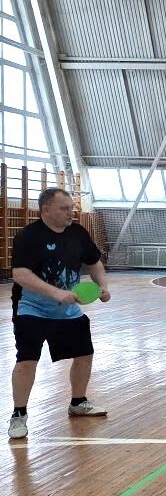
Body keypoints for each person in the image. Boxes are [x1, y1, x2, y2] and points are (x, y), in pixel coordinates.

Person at [8, 188, 110, 440]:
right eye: (64, 208)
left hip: (68, 310)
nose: (71, 212)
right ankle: (19, 414)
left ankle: (78, 402)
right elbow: (20, 274)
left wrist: (103, 286)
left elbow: (94, 262)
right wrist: (55, 293)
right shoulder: (28, 237)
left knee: (84, 355)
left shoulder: (78, 233)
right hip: (31, 309)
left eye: (71, 207)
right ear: (46, 209)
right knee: (27, 361)